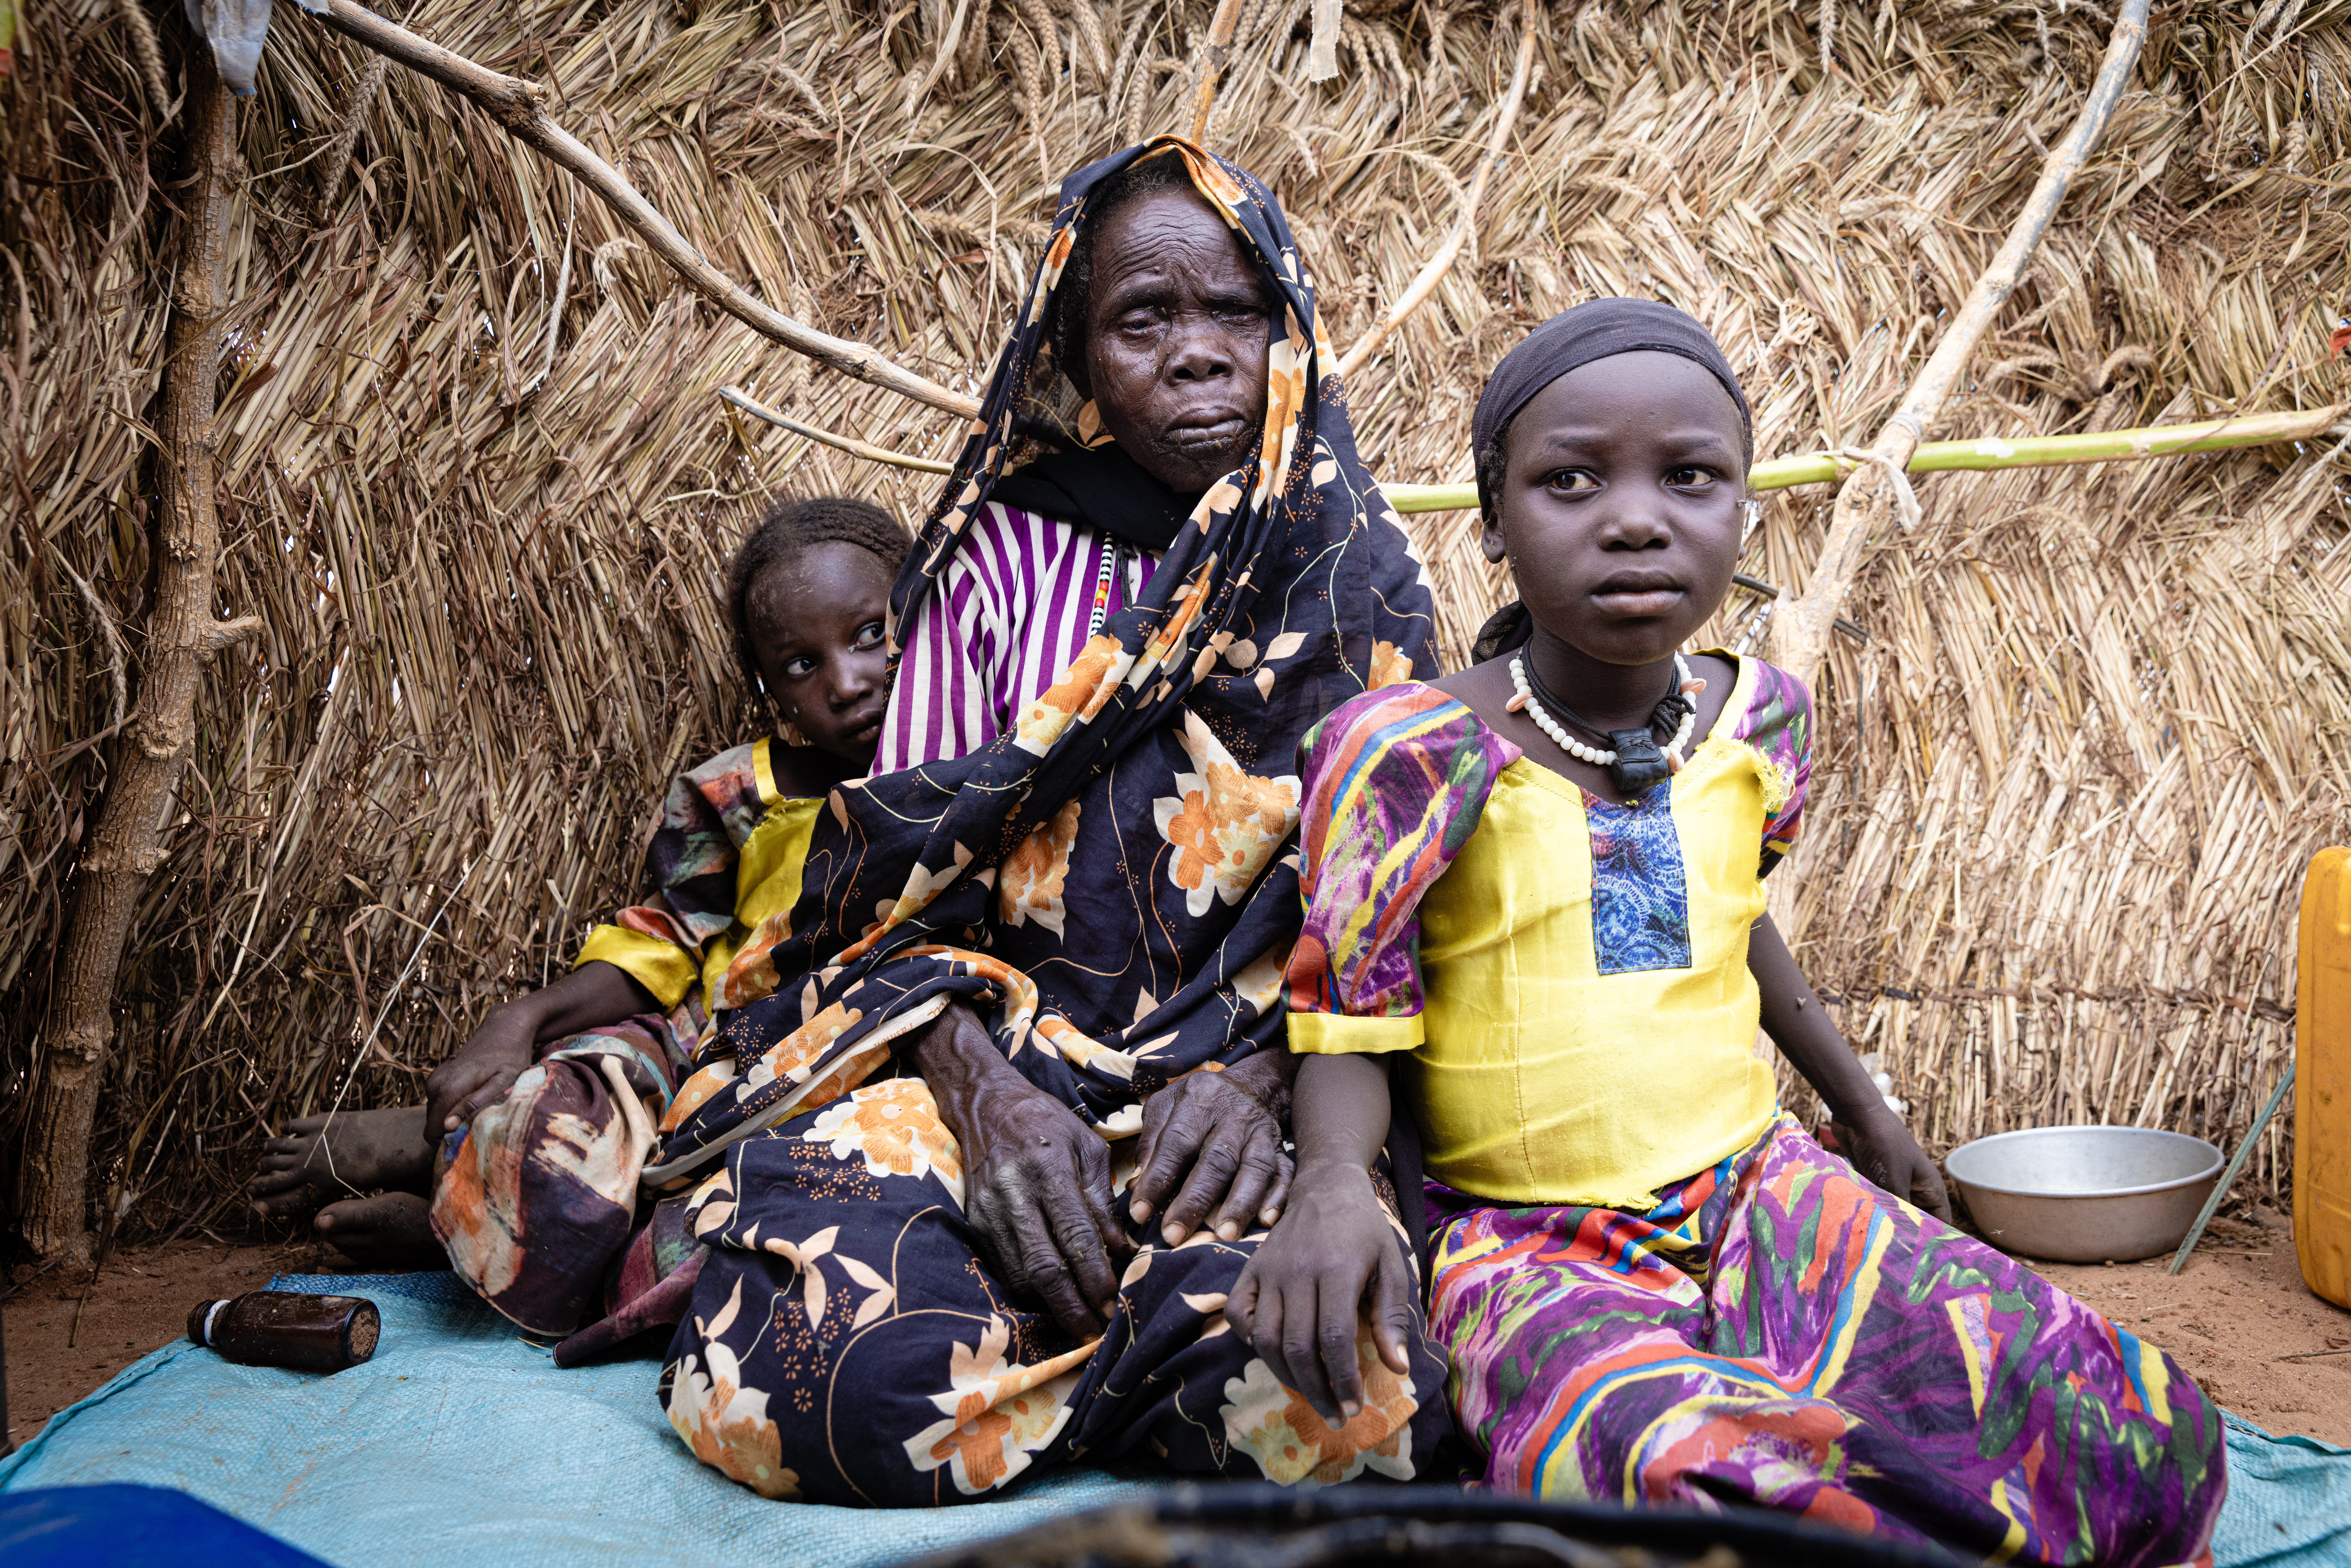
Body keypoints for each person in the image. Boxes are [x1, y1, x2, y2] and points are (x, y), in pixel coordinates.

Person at [1232, 299, 2226, 1563]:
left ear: (1742, 511)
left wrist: (1861, 1112)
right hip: (1532, 1241)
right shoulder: (1408, 751)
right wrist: (1330, 1188)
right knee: (1672, 1473)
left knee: (2129, 1421)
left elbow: (1728, 924)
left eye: (1689, 477)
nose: (1636, 517)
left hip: (1756, 1189)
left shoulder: (1756, 722)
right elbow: (1350, 1016)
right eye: (1570, 479)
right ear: (1494, 521)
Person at [641, 137, 1452, 1507]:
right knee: (778, 1387)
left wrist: (1256, 1086)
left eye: (1234, 313)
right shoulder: (990, 568)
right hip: (983, 1072)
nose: (1195, 353)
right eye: (1143, 319)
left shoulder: (1359, 573)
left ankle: (1038, 1370)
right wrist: (988, 1098)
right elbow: (883, 904)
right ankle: (1131, 1370)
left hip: (1253, 1089)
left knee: (1366, 1395)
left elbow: (1383, 921)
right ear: (1074, 350)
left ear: (1288, 330)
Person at [247, 495, 909, 1309]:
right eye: (801, 665)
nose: (847, 683)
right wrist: (519, 1020)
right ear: (767, 686)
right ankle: (469, 1162)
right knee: (560, 1133)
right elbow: (665, 944)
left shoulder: (989, 782)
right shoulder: (739, 793)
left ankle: (451, 1222)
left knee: (758, 1250)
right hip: (695, 1054)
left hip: (832, 1088)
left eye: (872, 633)